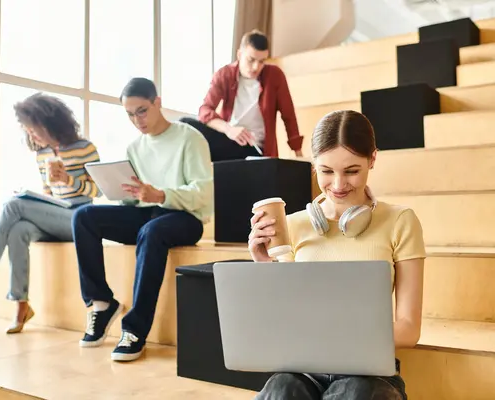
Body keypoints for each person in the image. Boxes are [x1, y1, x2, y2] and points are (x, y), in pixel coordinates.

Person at [248, 110, 425, 399]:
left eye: (352, 171)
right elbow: (279, 322)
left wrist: (332, 334)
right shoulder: (290, 225)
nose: (339, 185)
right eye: (326, 171)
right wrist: (264, 265)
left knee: (355, 392)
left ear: (373, 159)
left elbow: (408, 330)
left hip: (369, 375)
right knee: (280, 390)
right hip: (303, 369)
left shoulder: (400, 221)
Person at [72, 77, 213, 362]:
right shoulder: (134, 148)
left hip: (184, 218)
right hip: (148, 212)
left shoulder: (189, 137)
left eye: (142, 111)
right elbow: (135, 197)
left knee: (151, 231)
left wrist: (160, 194)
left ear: (157, 103)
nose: (137, 120)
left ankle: (135, 330)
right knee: (84, 216)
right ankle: (101, 302)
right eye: (129, 114)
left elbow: (203, 194)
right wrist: (116, 189)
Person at [0, 93, 101, 334]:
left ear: (49, 124)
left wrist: (68, 179)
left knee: (13, 205)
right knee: (18, 229)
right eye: (28, 131)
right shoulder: (42, 154)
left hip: (80, 218)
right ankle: (21, 305)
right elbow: (49, 194)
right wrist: (39, 198)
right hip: (56, 216)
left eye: (34, 130)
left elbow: (96, 191)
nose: (32, 136)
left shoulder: (84, 148)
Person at [180, 29, 303, 162]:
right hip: (229, 139)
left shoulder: (275, 76)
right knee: (185, 124)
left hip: (256, 149)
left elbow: (288, 115)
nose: (256, 67)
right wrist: (229, 129)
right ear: (239, 54)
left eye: (262, 61)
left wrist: (300, 155)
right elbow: (205, 111)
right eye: (251, 60)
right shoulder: (225, 74)